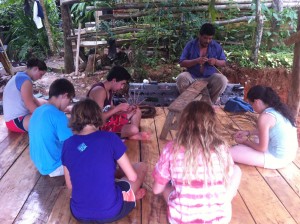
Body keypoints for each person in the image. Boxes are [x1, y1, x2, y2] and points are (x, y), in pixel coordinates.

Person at [152, 101, 241, 224]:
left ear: (183, 122)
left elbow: (156, 190)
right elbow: (227, 178)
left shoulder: (171, 149)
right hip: (219, 219)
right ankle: (218, 201)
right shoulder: (221, 148)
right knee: (237, 170)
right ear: (212, 123)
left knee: (166, 187)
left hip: (181, 219)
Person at [62, 98, 147, 222]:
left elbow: (70, 185)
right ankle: (129, 197)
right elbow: (133, 177)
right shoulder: (110, 138)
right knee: (141, 166)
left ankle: (127, 195)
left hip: (78, 212)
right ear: (98, 116)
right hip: (111, 210)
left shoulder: (67, 144)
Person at [230, 85, 298, 169]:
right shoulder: (279, 109)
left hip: (277, 159)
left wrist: (245, 141)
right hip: (289, 154)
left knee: (231, 152)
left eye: (251, 104)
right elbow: (269, 130)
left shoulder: (265, 117)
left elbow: (261, 148)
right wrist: (248, 132)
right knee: (255, 138)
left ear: (257, 102)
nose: (252, 107)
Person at [87, 65, 150, 140]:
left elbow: (109, 109)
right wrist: (117, 108)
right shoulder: (100, 91)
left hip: (108, 120)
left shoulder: (109, 89)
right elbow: (99, 119)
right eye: (122, 83)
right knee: (134, 129)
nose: (122, 87)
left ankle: (129, 134)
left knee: (137, 111)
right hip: (98, 128)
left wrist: (126, 111)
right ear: (114, 80)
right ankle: (130, 134)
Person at [29, 78, 75, 177]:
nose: (68, 104)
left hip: (40, 164)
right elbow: (73, 145)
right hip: (55, 167)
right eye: (69, 100)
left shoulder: (38, 110)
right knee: (88, 150)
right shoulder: (59, 115)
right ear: (65, 95)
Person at [176, 23, 228, 104]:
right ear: (199, 35)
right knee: (181, 78)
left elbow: (224, 62)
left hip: (209, 77)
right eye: (205, 38)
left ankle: (210, 103)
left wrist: (215, 61)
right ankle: (191, 103)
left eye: (210, 38)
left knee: (223, 80)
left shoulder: (216, 46)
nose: (207, 41)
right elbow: (182, 63)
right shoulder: (190, 45)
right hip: (192, 77)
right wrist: (196, 61)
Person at [3, 58, 48, 132]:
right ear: (36, 69)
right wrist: (44, 116)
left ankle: (66, 109)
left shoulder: (20, 76)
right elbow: (29, 105)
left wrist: (43, 105)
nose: (40, 78)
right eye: (41, 74)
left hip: (12, 120)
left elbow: (32, 99)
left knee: (44, 103)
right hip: (15, 121)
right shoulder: (26, 81)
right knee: (47, 122)